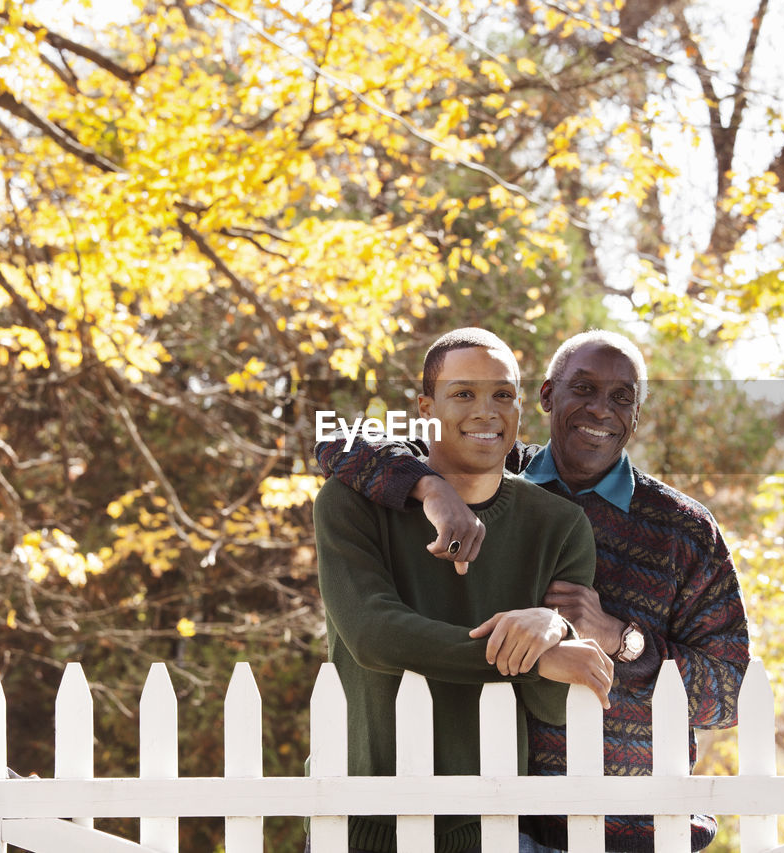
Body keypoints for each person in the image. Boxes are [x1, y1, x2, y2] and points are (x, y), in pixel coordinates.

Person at [316, 329, 751, 852]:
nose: (601, 410)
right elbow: (337, 442)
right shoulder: (489, 469)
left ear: (636, 414)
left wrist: (619, 639)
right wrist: (430, 489)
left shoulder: (684, 529)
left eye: (621, 398)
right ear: (547, 396)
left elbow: (727, 696)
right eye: (583, 389)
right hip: (510, 820)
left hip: (638, 829)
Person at [311, 327, 615, 853]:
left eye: (502, 394)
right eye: (463, 394)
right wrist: (533, 657)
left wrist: (554, 633)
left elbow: (550, 701)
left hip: (490, 826)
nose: (486, 411)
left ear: (521, 410)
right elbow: (372, 634)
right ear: (427, 408)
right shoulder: (350, 503)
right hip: (359, 822)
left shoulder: (560, 525)